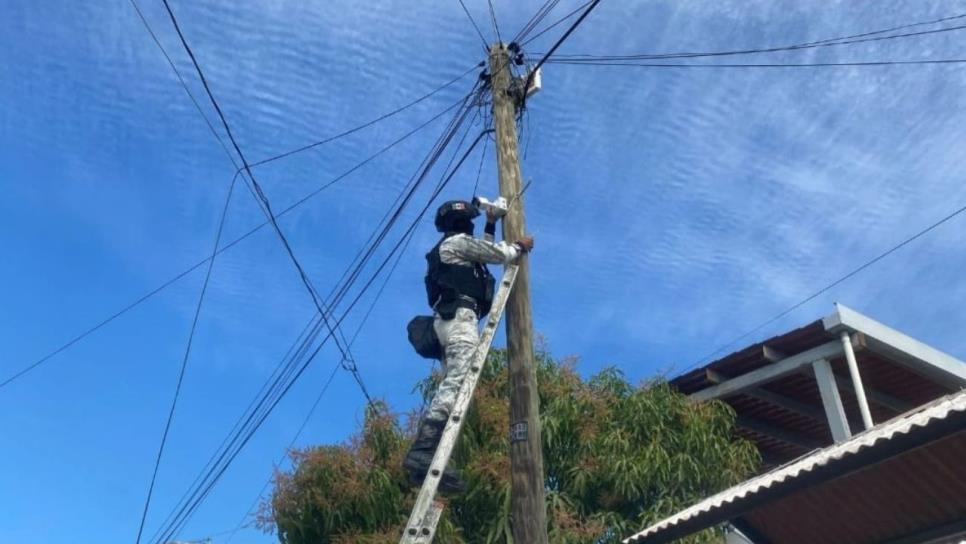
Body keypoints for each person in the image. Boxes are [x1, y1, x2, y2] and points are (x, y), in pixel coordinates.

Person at [403, 199, 534, 492]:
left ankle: (427, 462)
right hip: (461, 321)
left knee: (454, 385)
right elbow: (496, 254)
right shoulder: (457, 243)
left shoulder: (450, 249)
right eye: (470, 221)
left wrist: (491, 223)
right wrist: (520, 246)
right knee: (457, 384)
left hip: (449, 322)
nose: (472, 226)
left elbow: (481, 258)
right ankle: (423, 452)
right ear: (460, 223)